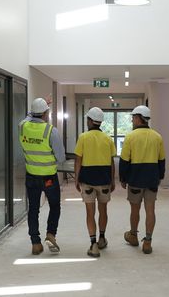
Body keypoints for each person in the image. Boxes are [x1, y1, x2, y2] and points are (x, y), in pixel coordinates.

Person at [19, 98, 66, 255]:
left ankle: (35, 243)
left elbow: (26, 118)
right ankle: (51, 234)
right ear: (46, 113)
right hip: (48, 177)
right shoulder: (50, 131)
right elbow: (61, 157)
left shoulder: (22, 126)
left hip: (31, 176)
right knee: (54, 206)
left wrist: (37, 107)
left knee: (33, 208)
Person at [119, 105, 165, 254]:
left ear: (139, 118)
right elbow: (161, 160)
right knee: (150, 209)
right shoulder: (157, 137)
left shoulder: (130, 137)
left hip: (135, 179)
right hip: (152, 179)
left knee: (135, 209)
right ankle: (148, 241)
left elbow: (124, 161)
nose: (132, 120)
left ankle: (133, 235)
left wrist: (123, 178)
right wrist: (160, 176)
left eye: (133, 117)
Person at [74, 107, 116, 257]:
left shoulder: (83, 137)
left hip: (88, 180)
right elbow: (111, 162)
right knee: (103, 210)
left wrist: (77, 179)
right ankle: (102, 239)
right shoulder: (108, 138)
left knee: (90, 212)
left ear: (90, 121)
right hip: (104, 180)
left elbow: (78, 160)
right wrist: (112, 181)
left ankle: (93, 245)